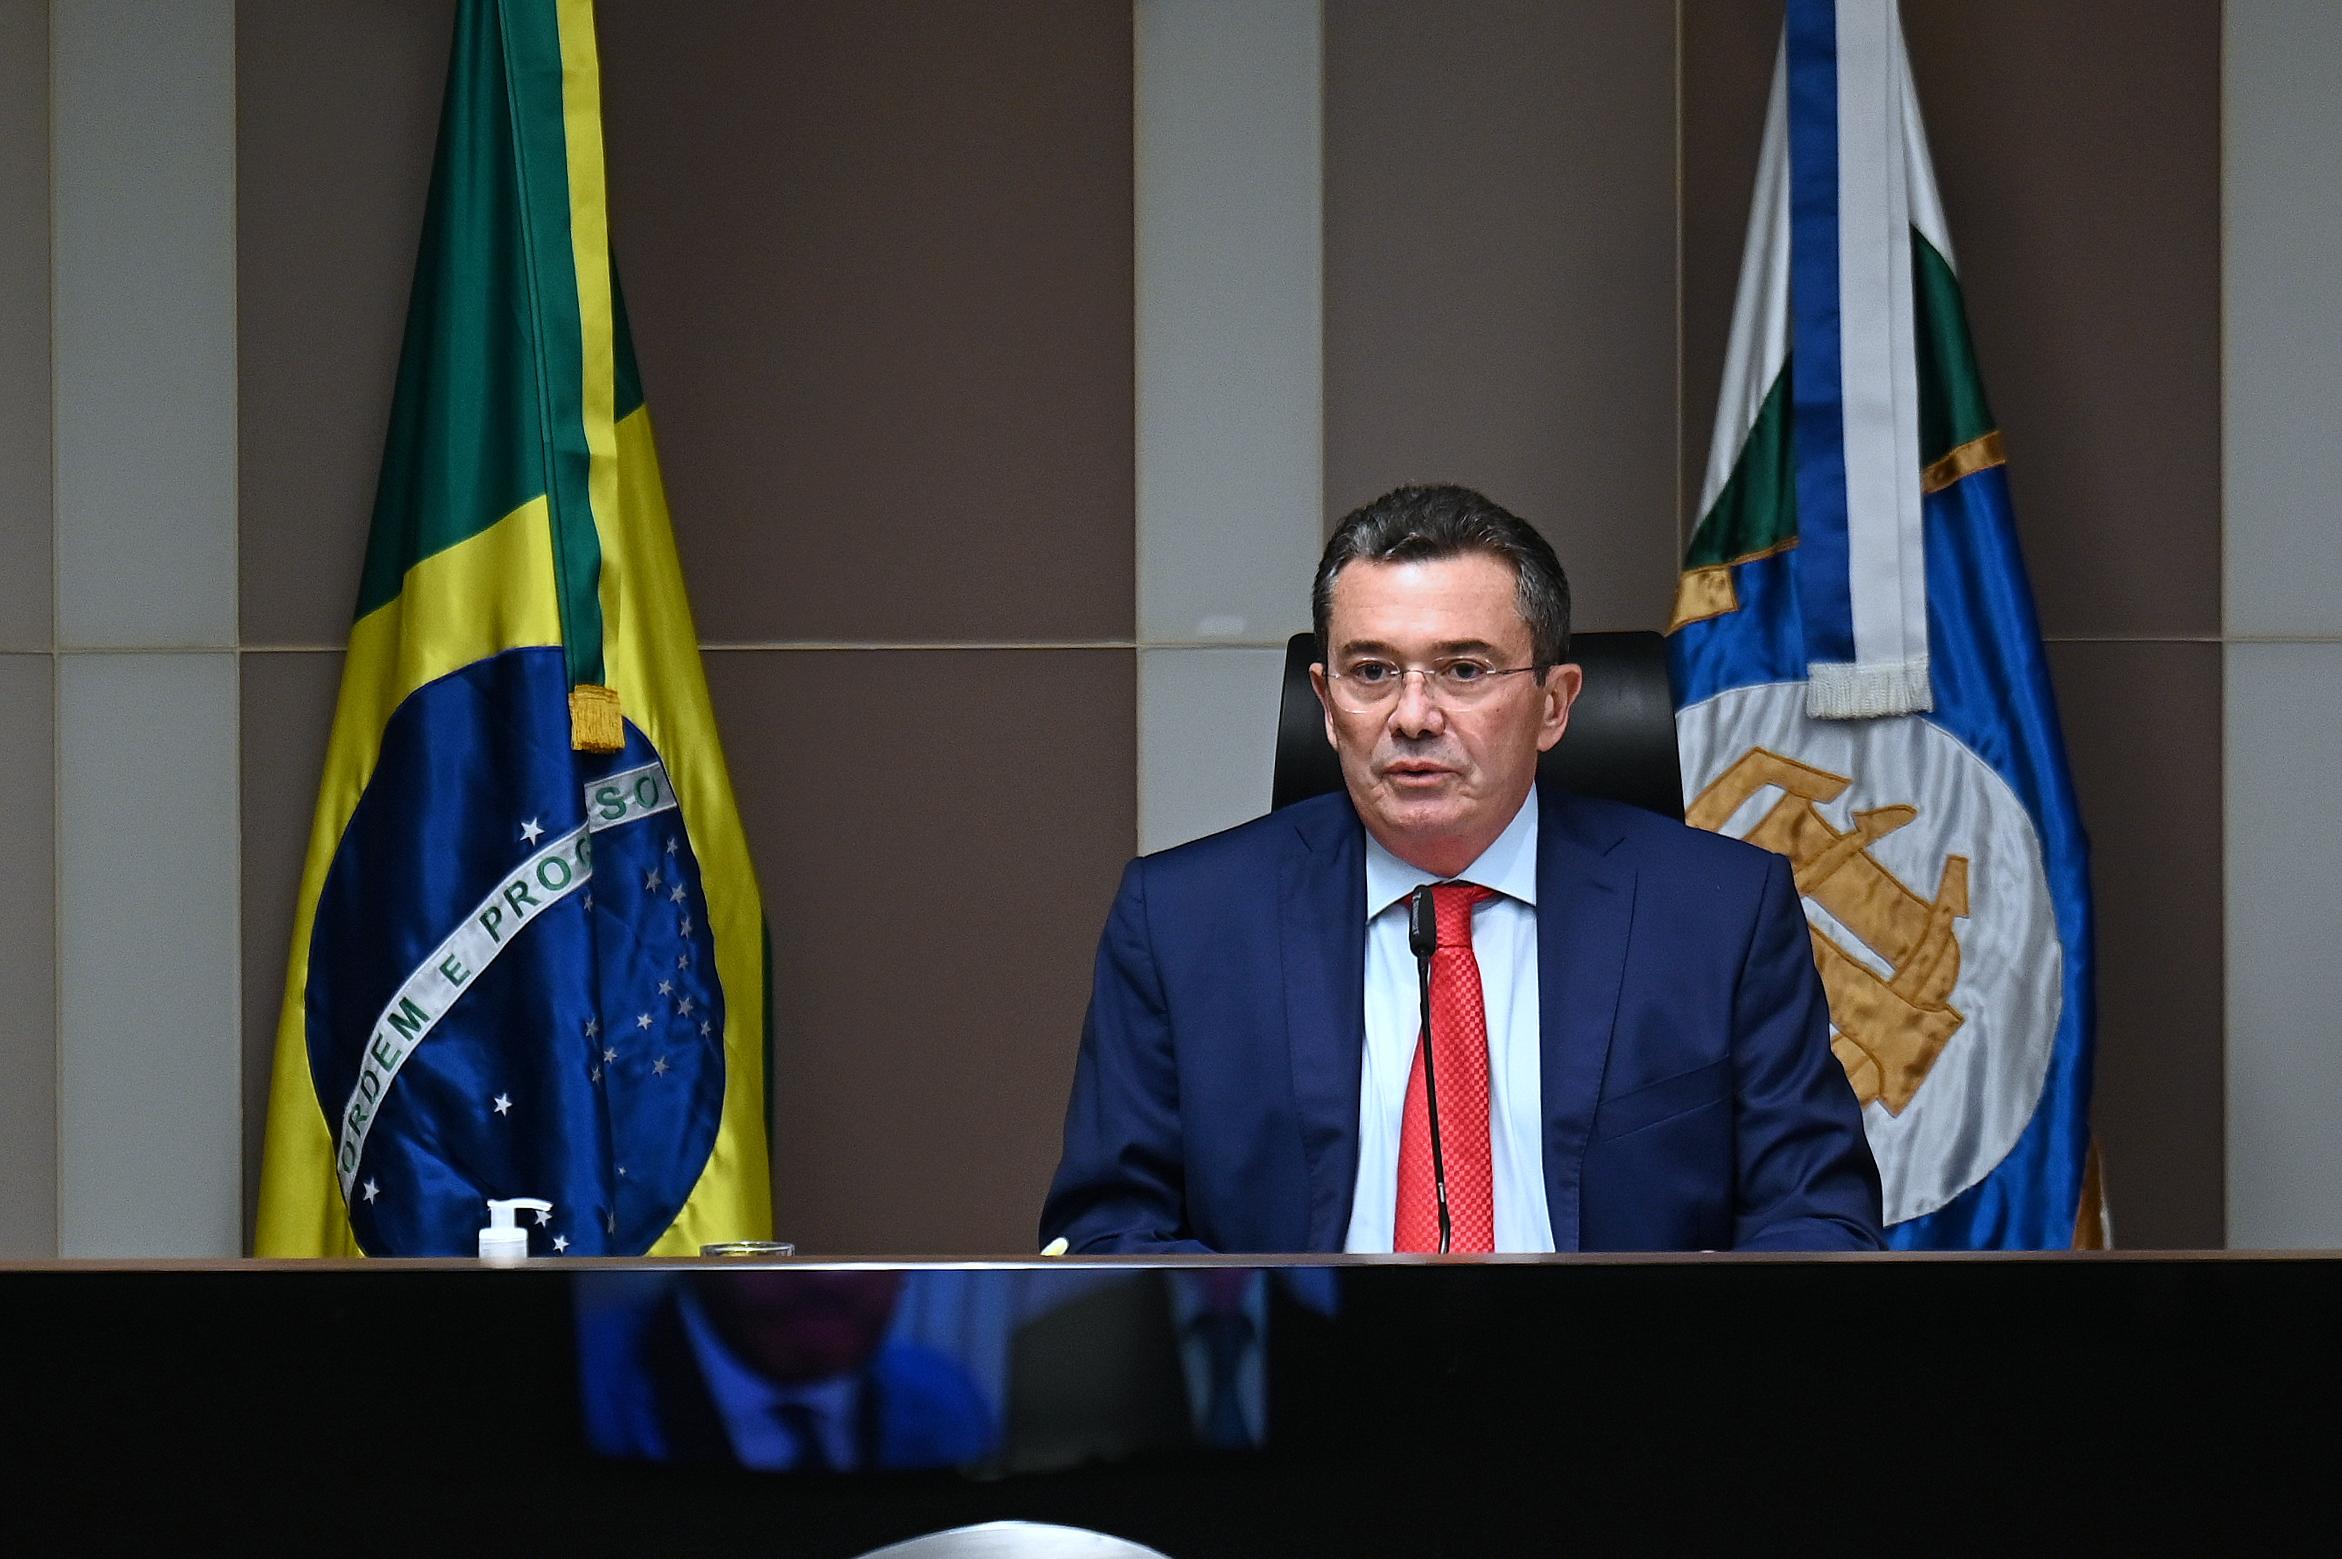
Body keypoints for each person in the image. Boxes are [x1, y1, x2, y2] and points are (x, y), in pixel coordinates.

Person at [1042, 484, 1882, 1254]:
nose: (1413, 715)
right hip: (1305, 1403)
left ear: (1554, 704)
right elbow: (1112, 1234)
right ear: (1327, 704)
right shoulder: (1184, 922)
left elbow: (1817, 1223)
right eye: (1372, 672)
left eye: (1463, 670)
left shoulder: (1720, 915)